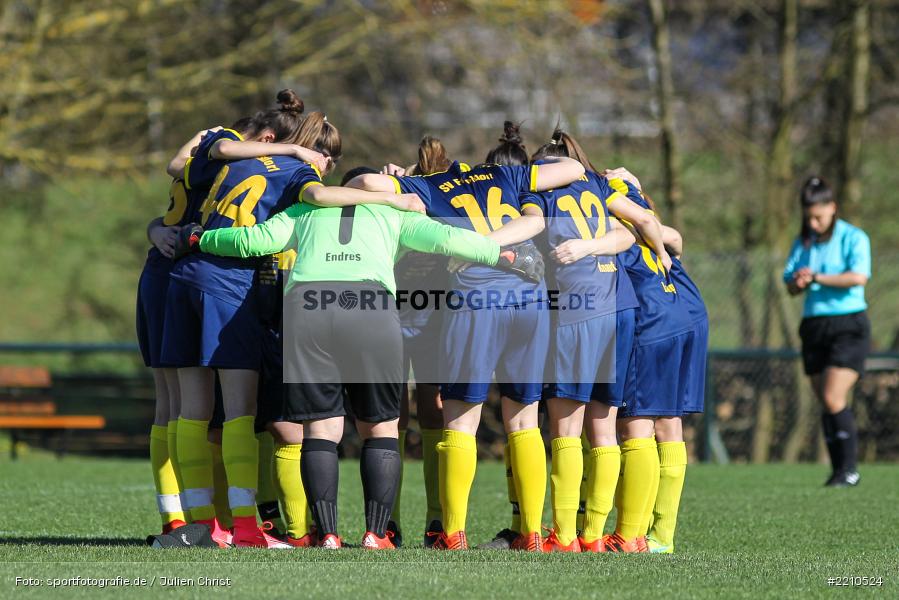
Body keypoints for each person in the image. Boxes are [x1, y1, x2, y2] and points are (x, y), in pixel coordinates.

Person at [181, 165, 542, 549]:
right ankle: (376, 533)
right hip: (370, 306)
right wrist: (506, 256)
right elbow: (450, 240)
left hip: (307, 306)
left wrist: (200, 237)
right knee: (382, 427)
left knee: (320, 429)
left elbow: (253, 241)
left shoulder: (304, 209)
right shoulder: (393, 212)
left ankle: (329, 535)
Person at [161, 90, 406, 548]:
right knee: (247, 413)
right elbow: (313, 196)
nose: (329, 165)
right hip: (233, 287)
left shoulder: (228, 157)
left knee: (187, 410)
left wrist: (161, 229)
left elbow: (180, 165)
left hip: (181, 274)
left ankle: (190, 523)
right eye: (328, 156)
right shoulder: (300, 175)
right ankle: (254, 528)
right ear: (313, 150)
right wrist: (396, 197)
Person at [348, 122, 586, 551]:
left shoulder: (427, 186)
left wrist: (402, 178)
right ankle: (531, 532)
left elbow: (363, 180)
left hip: (477, 297)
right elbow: (571, 168)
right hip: (530, 298)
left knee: (460, 417)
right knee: (525, 418)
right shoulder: (506, 174)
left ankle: (452, 533)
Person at [603, 166, 707, 554]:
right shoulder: (643, 210)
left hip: (653, 320)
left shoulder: (606, 211)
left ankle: (633, 533)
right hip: (689, 310)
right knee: (670, 424)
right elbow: (675, 236)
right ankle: (661, 535)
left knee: (637, 425)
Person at [783, 176, 871, 488]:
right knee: (825, 399)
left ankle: (850, 470)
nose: (815, 223)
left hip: (848, 324)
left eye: (819, 216)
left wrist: (818, 277)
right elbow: (790, 284)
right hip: (814, 325)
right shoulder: (803, 241)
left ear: (832, 208)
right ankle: (838, 472)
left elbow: (858, 277)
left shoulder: (853, 237)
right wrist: (799, 281)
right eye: (809, 217)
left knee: (835, 396)